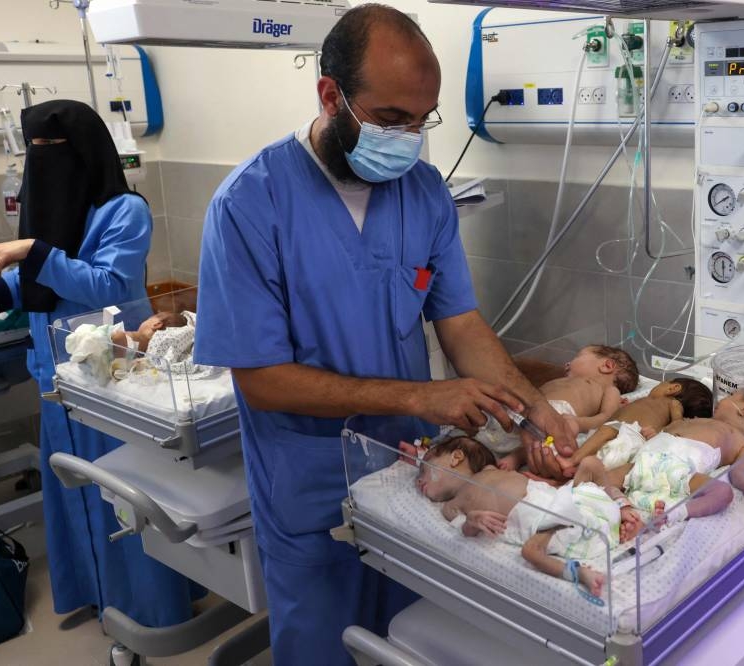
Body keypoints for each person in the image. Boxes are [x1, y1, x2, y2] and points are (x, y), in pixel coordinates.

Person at [192, 5, 575, 663]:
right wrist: (420, 398)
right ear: (329, 95)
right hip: (309, 480)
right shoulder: (250, 205)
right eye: (391, 119)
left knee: (404, 640)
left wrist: (531, 407)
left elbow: (460, 324)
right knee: (321, 643)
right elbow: (259, 380)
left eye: (421, 120)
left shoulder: (423, 192)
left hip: (412, 478)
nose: (408, 137)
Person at [0, 100, 198, 627]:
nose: (46, 163)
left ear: (86, 151)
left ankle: (153, 607)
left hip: (112, 379)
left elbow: (107, 287)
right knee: (76, 494)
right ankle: (96, 593)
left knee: (125, 496)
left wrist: (33, 251)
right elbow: (42, 279)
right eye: (37, 152)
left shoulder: (124, 211)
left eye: (55, 151)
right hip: (56, 378)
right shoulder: (50, 213)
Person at [412, 435, 636, 603]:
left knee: (591, 464)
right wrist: (472, 520)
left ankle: (623, 508)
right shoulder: (452, 505)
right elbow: (464, 529)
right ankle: (580, 573)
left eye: (423, 471)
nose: (418, 481)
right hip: (543, 524)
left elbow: (520, 458)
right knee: (530, 552)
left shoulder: (493, 469)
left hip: (569, 501)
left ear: (456, 457)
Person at [602, 387, 744, 526]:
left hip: (679, 471)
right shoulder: (702, 420)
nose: (721, 399)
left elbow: (739, 472)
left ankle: (676, 513)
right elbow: (671, 429)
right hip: (642, 462)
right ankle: (622, 508)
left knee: (723, 492)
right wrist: (658, 431)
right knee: (599, 477)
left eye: (731, 395)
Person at [484, 344, 637, 471]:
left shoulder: (609, 390)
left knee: (548, 438)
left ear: (607, 366)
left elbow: (607, 418)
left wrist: (579, 422)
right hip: (526, 409)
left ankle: (519, 455)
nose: (567, 363)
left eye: (577, 357)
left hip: (558, 414)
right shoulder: (563, 380)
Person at [557, 377, 712, 475]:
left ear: (672, 388)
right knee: (596, 458)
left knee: (608, 429)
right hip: (620, 446)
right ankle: (576, 472)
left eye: (662, 383)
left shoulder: (673, 403)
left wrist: (662, 427)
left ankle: (573, 460)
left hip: (630, 436)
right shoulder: (648, 403)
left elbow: (676, 427)